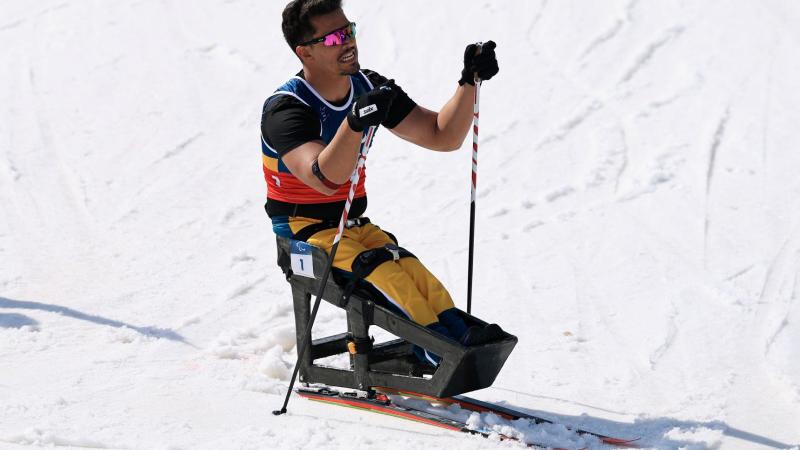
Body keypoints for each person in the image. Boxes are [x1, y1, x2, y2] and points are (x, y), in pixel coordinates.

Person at [261, 0, 501, 365]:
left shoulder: (368, 87)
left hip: (353, 226)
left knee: (411, 269)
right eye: (334, 37)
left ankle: (458, 331)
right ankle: (436, 347)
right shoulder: (287, 108)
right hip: (301, 231)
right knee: (386, 275)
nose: (348, 42)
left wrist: (469, 82)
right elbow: (324, 178)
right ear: (304, 52)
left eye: (350, 30)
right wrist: (354, 123)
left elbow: (442, 135)